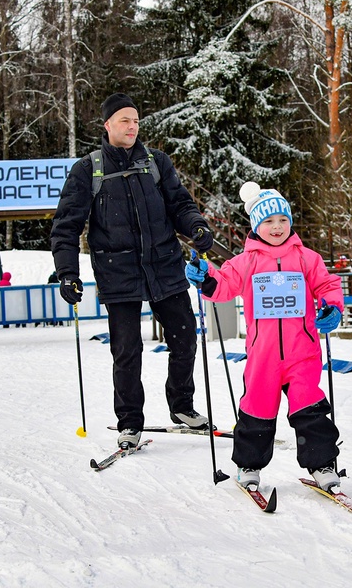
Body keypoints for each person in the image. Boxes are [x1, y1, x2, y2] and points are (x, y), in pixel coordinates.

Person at [50, 91, 215, 450]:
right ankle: (129, 421)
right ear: (108, 124)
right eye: (125, 120)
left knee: (185, 337)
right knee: (127, 350)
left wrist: (196, 226)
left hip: (164, 265)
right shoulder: (88, 169)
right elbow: (66, 225)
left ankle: (182, 406)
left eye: (136, 120)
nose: (132, 126)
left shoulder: (156, 162)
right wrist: (67, 272)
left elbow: (180, 204)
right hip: (117, 271)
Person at [185, 182, 345, 492]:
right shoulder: (246, 262)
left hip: (303, 353)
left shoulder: (307, 259)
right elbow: (223, 287)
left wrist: (333, 309)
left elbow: (327, 287)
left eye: (283, 220)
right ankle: (249, 464)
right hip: (264, 355)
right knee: (256, 409)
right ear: (257, 225)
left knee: (309, 408)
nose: (277, 227)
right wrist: (205, 277)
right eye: (269, 221)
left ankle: (323, 464)